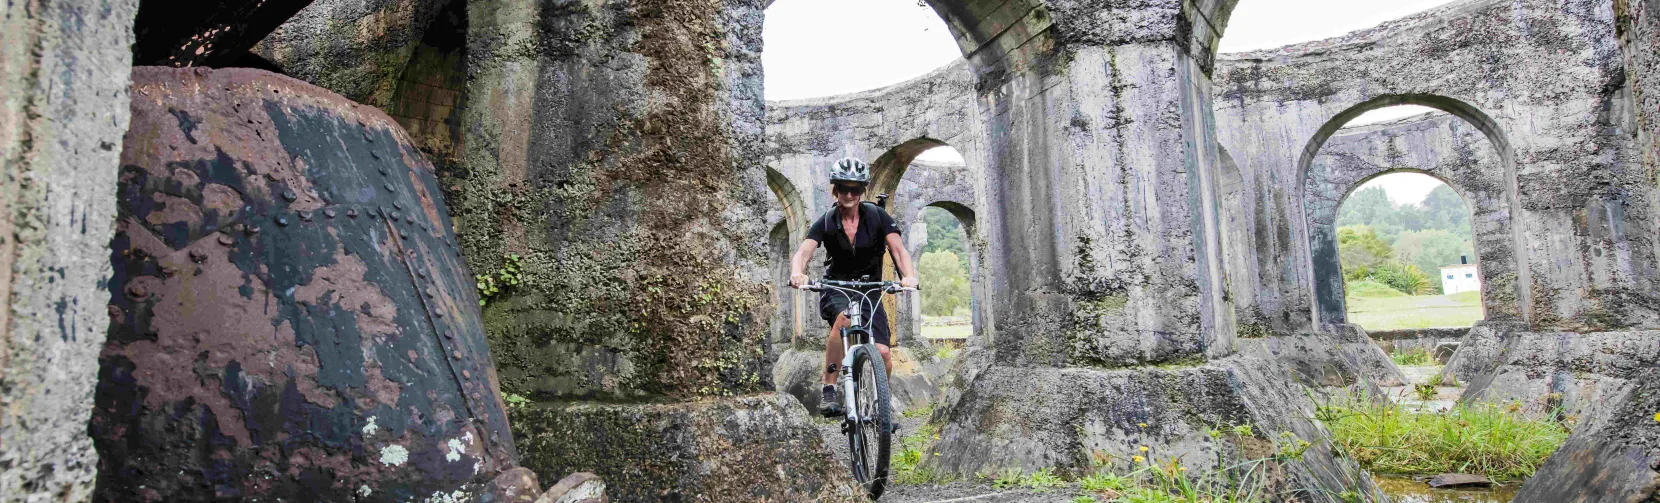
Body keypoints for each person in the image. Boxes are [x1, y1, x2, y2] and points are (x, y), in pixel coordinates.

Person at [789, 157, 920, 418]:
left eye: (855, 189)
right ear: (835, 189)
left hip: (871, 289)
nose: (849, 194)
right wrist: (797, 273)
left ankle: (881, 402)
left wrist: (909, 277)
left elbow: (898, 250)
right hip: (837, 287)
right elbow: (803, 252)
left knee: (883, 352)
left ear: (862, 191)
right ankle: (829, 387)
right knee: (844, 320)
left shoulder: (878, 216)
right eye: (843, 188)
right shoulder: (826, 221)